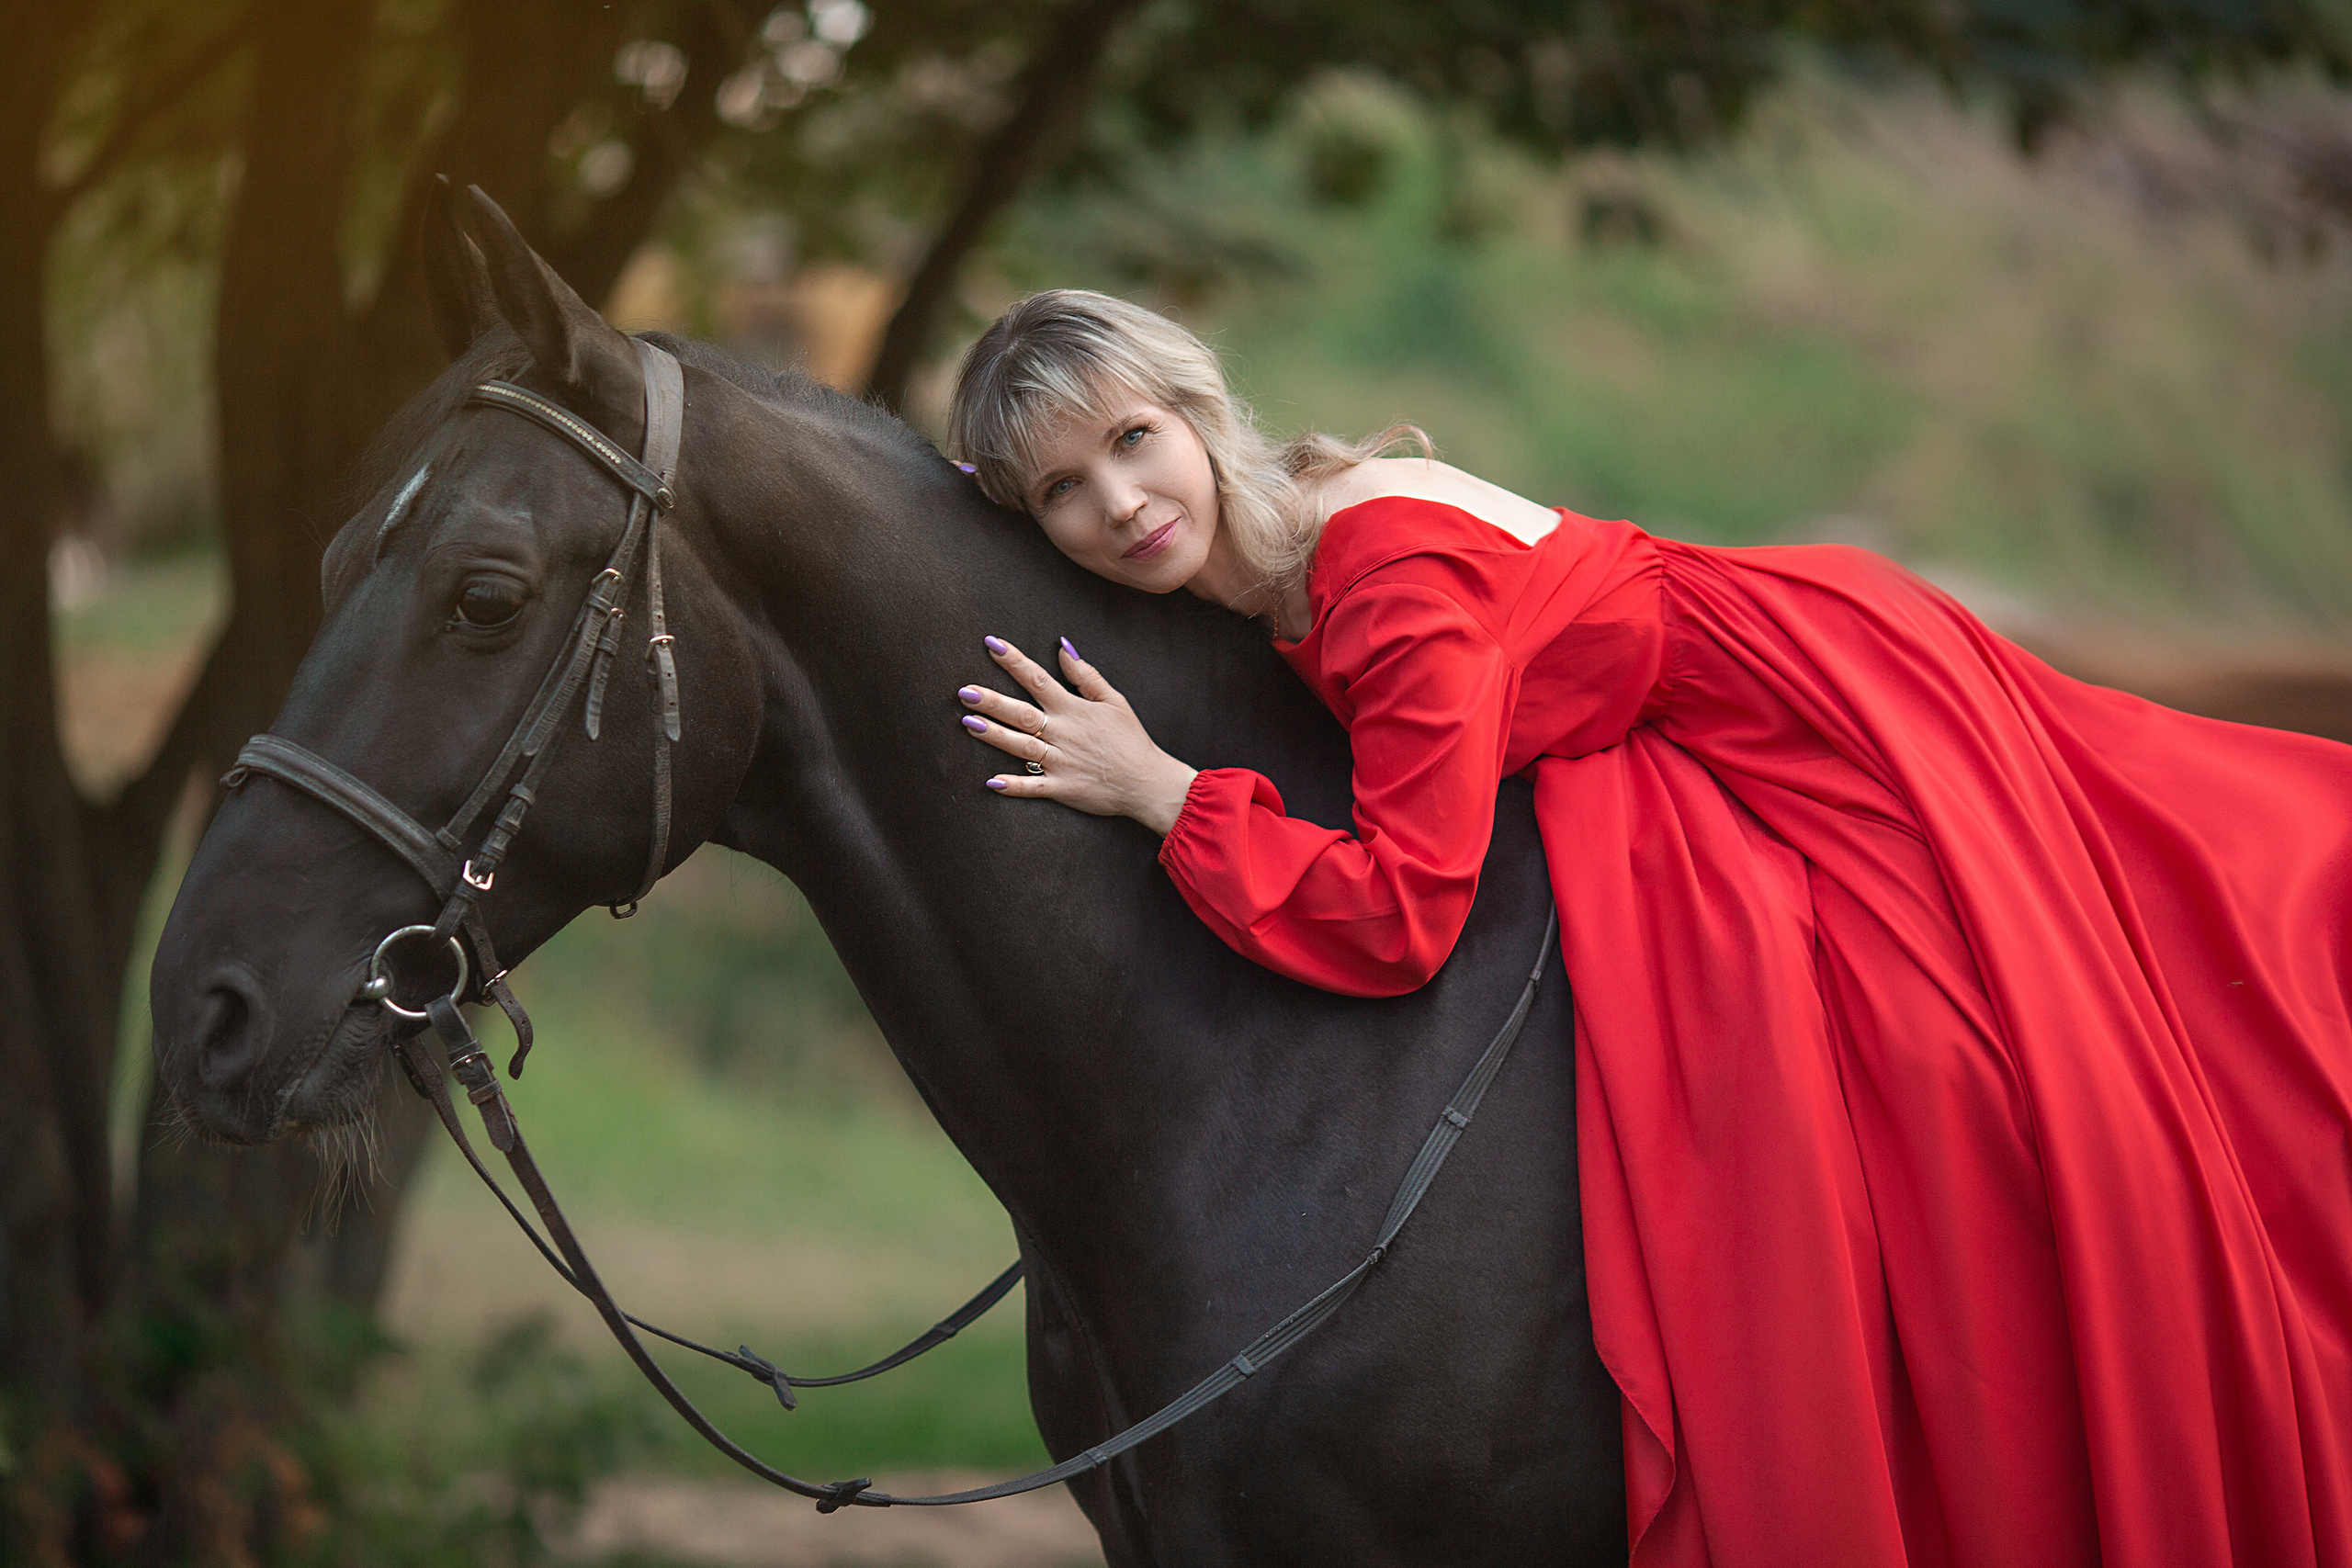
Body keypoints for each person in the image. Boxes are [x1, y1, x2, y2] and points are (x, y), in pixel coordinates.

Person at [944, 288, 2352, 1566]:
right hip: (1716, 692)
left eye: (1133, 439)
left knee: (1971, 1056)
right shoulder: (1273, 549)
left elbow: (1402, 911)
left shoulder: (1382, 585)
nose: (1120, 503)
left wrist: (1167, 794)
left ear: (1196, 410)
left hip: (1797, 717)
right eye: (1063, 489)